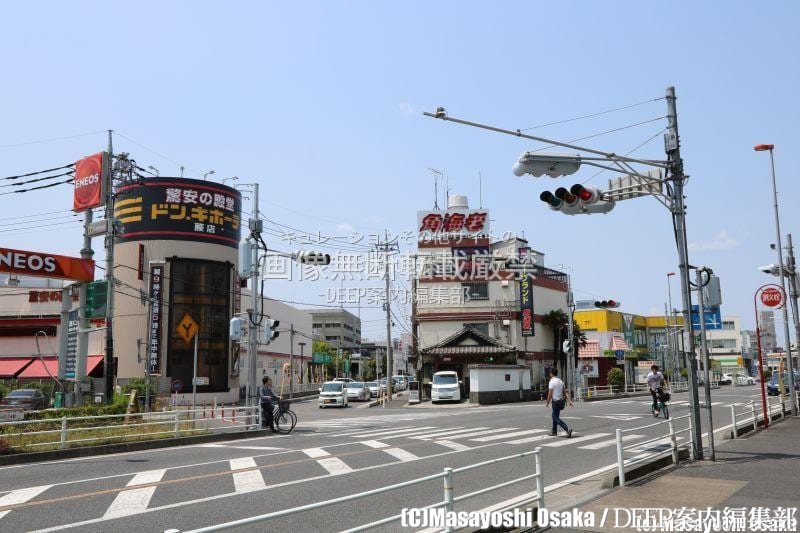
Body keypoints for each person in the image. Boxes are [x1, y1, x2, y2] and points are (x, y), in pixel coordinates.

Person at [545, 367, 573, 438]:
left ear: (551, 373)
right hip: (561, 402)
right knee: (555, 416)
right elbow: (565, 393)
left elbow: (550, 393)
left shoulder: (552, 382)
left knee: (555, 417)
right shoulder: (561, 381)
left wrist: (547, 401)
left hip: (555, 402)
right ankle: (554, 431)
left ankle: (567, 429)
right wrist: (569, 401)